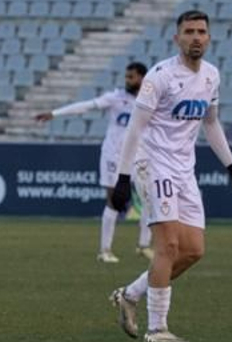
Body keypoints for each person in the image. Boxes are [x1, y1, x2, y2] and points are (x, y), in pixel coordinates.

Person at [109, 11, 232, 342]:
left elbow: (211, 122)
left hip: (184, 169)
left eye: (201, 31)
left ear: (209, 38)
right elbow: (135, 128)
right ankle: (157, 329)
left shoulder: (211, 76)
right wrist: (123, 177)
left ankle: (130, 295)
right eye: (189, 31)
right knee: (168, 246)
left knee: (193, 251)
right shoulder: (159, 76)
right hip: (152, 164)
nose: (196, 37)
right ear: (177, 39)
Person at [36, 63, 152, 264]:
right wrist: (54, 113)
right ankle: (104, 250)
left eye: (131, 77)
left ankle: (143, 246)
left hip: (138, 156)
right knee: (114, 201)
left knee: (149, 198)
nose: (127, 80)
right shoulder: (116, 98)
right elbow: (86, 106)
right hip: (114, 156)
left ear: (142, 78)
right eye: (126, 76)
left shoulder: (149, 100)